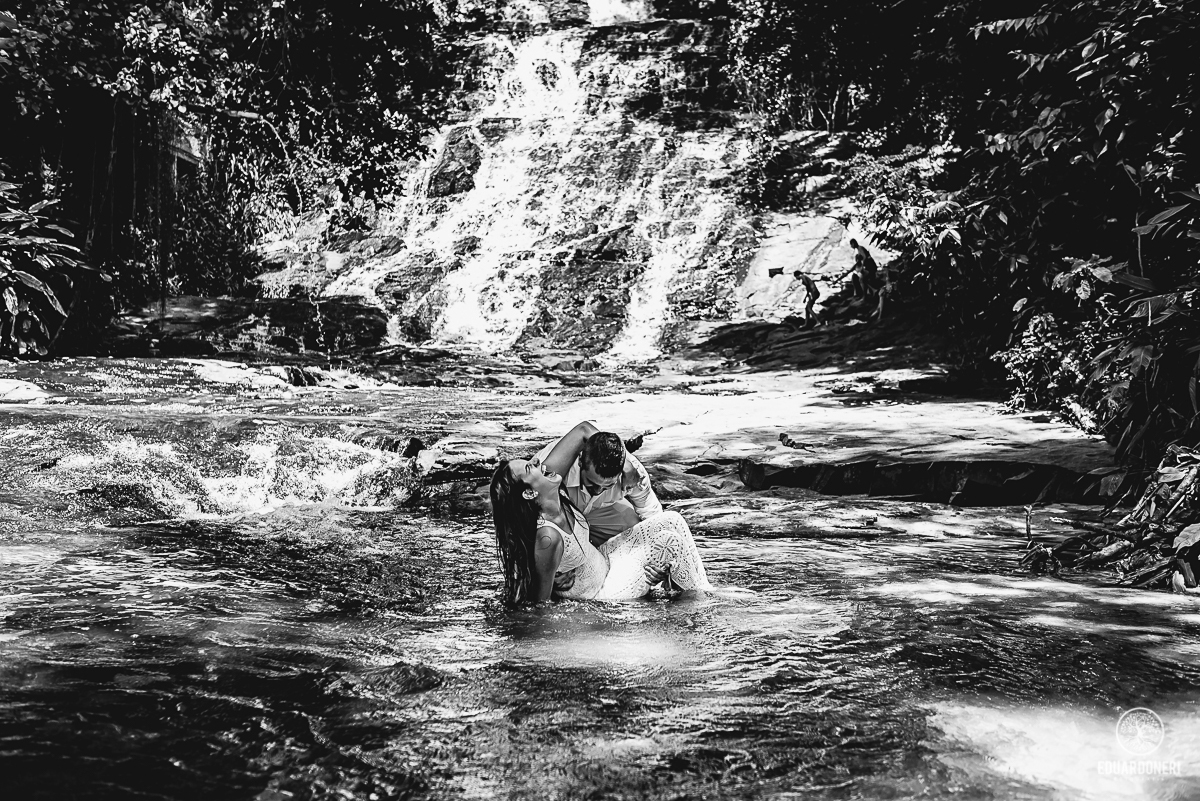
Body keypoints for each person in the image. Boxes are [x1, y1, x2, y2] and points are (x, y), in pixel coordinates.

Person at [489, 430, 712, 605]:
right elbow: (539, 604)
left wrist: (659, 567)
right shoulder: (547, 537)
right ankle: (702, 605)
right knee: (669, 542)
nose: (539, 461)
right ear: (529, 493)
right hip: (603, 591)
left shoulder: (553, 488)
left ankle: (701, 591)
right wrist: (551, 580)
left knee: (672, 520)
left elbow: (584, 430)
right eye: (531, 467)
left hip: (605, 559)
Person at [534, 428, 662, 547]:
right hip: (556, 511)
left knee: (634, 527)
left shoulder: (633, 475)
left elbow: (652, 515)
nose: (598, 491)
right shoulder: (556, 467)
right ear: (580, 460)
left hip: (596, 513)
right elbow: (529, 508)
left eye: (608, 485)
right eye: (591, 482)